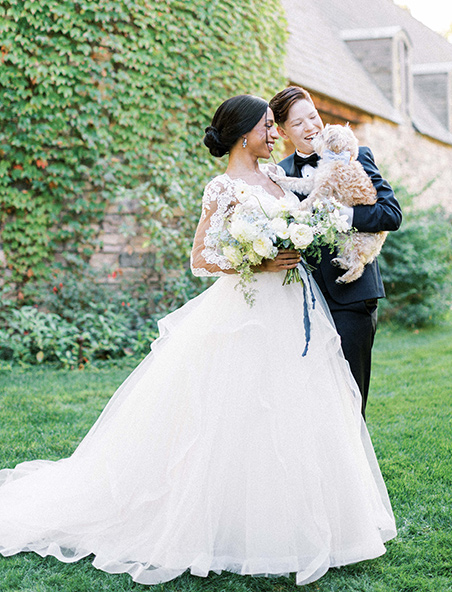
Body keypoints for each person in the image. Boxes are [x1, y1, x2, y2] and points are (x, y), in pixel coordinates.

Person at [0, 95, 396, 586]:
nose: (275, 134)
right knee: (236, 409)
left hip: (295, 305)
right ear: (243, 133)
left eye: (276, 126)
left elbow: (318, 213)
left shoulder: (278, 178)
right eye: (267, 127)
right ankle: (222, 520)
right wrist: (256, 260)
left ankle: (301, 517)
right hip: (247, 309)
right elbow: (202, 257)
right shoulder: (222, 186)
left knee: (296, 405)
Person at [269, 86, 402, 417]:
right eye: (298, 124)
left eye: (312, 116)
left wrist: (347, 217)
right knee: (310, 401)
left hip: (352, 296)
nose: (311, 127)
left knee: (350, 398)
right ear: (283, 131)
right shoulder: (278, 174)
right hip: (302, 301)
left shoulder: (355, 154)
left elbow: (391, 214)